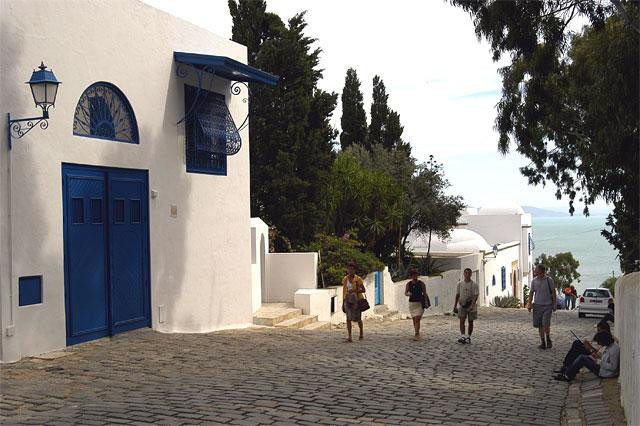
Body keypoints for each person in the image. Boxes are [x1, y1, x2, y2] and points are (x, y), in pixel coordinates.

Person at [554, 331, 620, 382]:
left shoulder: (614, 350)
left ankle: (567, 376)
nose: (599, 344)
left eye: (599, 342)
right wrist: (597, 357)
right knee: (582, 354)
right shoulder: (609, 346)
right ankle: (567, 371)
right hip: (602, 367)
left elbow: (613, 367)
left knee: (582, 358)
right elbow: (605, 359)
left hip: (603, 372)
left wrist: (599, 361)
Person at [527, 264, 557, 349]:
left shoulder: (549, 280)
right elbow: (531, 292)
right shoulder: (534, 281)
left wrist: (554, 304)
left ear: (540, 270)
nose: (535, 270)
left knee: (545, 323)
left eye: (536, 269)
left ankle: (548, 338)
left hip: (547, 305)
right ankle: (543, 341)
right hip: (537, 306)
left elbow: (553, 292)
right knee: (539, 325)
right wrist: (529, 304)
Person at [452, 268, 479, 344]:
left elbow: (475, 295)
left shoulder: (474, 284)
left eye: (469, 273)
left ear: (471, 274)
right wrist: (455, 305)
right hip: (462, 305)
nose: (467, 274)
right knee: (462, 320)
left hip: (471, 305)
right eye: (466, 273)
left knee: (471, 322)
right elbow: (457, 294)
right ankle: (463, 335)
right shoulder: (460, 284)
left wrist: (472, 305)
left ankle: (468, 336)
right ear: (464, 274)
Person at [341, 261, 365, 343]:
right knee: (348, 318)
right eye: (349, 269)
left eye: (352, 269)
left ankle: (361, 332)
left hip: (356, 301)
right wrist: (343, 301)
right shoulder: (345, 279)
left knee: (358, 318)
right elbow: (344, 290)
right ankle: (349, 336)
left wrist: (355, 290)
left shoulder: (358, 279)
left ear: (354, 270)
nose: (350, 271)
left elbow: (363, 290)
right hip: (347, 300)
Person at [405, 268, 428, 341]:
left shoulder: (421, 283)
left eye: (416, 275)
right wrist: (409, 294)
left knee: (417, 318)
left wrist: (426, 301)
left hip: (420, 303)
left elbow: (424, 293)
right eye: (414, 275)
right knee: (414, 320)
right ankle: (416, 331)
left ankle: (417, 333)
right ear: (411, 276)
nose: (415, 276)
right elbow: (406, 292)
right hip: (412, 304)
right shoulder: (409, 284)